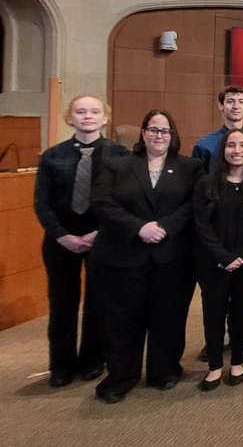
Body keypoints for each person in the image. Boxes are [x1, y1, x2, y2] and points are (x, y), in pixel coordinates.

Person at [90, 110, 202, 404]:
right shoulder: (117, 165)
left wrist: (163, 227)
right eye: (153, 130)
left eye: (165, 131)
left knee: (169, 317)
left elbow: (194, 206)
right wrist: (139, 228)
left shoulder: (190, 167)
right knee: (123, 318)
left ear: (173, 136)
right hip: (125, 255)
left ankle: (164, 371)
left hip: (172, 257)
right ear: (143, 133)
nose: (159, 136)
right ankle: (121, 376)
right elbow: (101, 203)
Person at [33, 95, 128, 388]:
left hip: (103, 238)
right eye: (81, 111)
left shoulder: (120, 155)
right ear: (70, 117)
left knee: (98, 302)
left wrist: (97, 233)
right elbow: (42, 203)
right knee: (62, 303)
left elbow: (123, 201)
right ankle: (61, 366)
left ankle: (92, 361)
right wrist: (63, 236)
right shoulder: (52, 156)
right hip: (61, 241)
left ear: (105, 118)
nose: (87, 116)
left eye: (94, 111)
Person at [193, 129, 243, 391]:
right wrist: (222, 256)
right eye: (231, 145)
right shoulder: (207, 183)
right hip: (211, 260)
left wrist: (239, 255)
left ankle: (237, 362)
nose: (237, 150)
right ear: (222, 150)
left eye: (242, 145)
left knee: (241, 309)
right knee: (213, 311)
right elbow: (201, 225)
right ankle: (214, 366)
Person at [191, 85, 243, 173]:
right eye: (230, 101)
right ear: (221, 105)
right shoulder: (204, 145)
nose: (236, 106)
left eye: (241, 102)